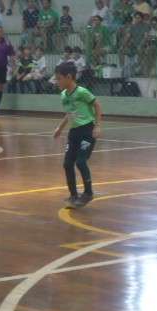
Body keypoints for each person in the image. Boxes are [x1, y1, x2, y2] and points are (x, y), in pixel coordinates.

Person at [53, 62, 103, 208]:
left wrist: (98, 126)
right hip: (74, 132)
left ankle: (88, 193)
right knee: (67, 163)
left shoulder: (82, 92)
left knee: (81, 162)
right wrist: (60, 128)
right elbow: (69, 113)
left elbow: (97, 105)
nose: (57, 82)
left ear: (69, 77)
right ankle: (73, 195)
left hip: (87, 131)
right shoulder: (63, 95)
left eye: (59, 78)